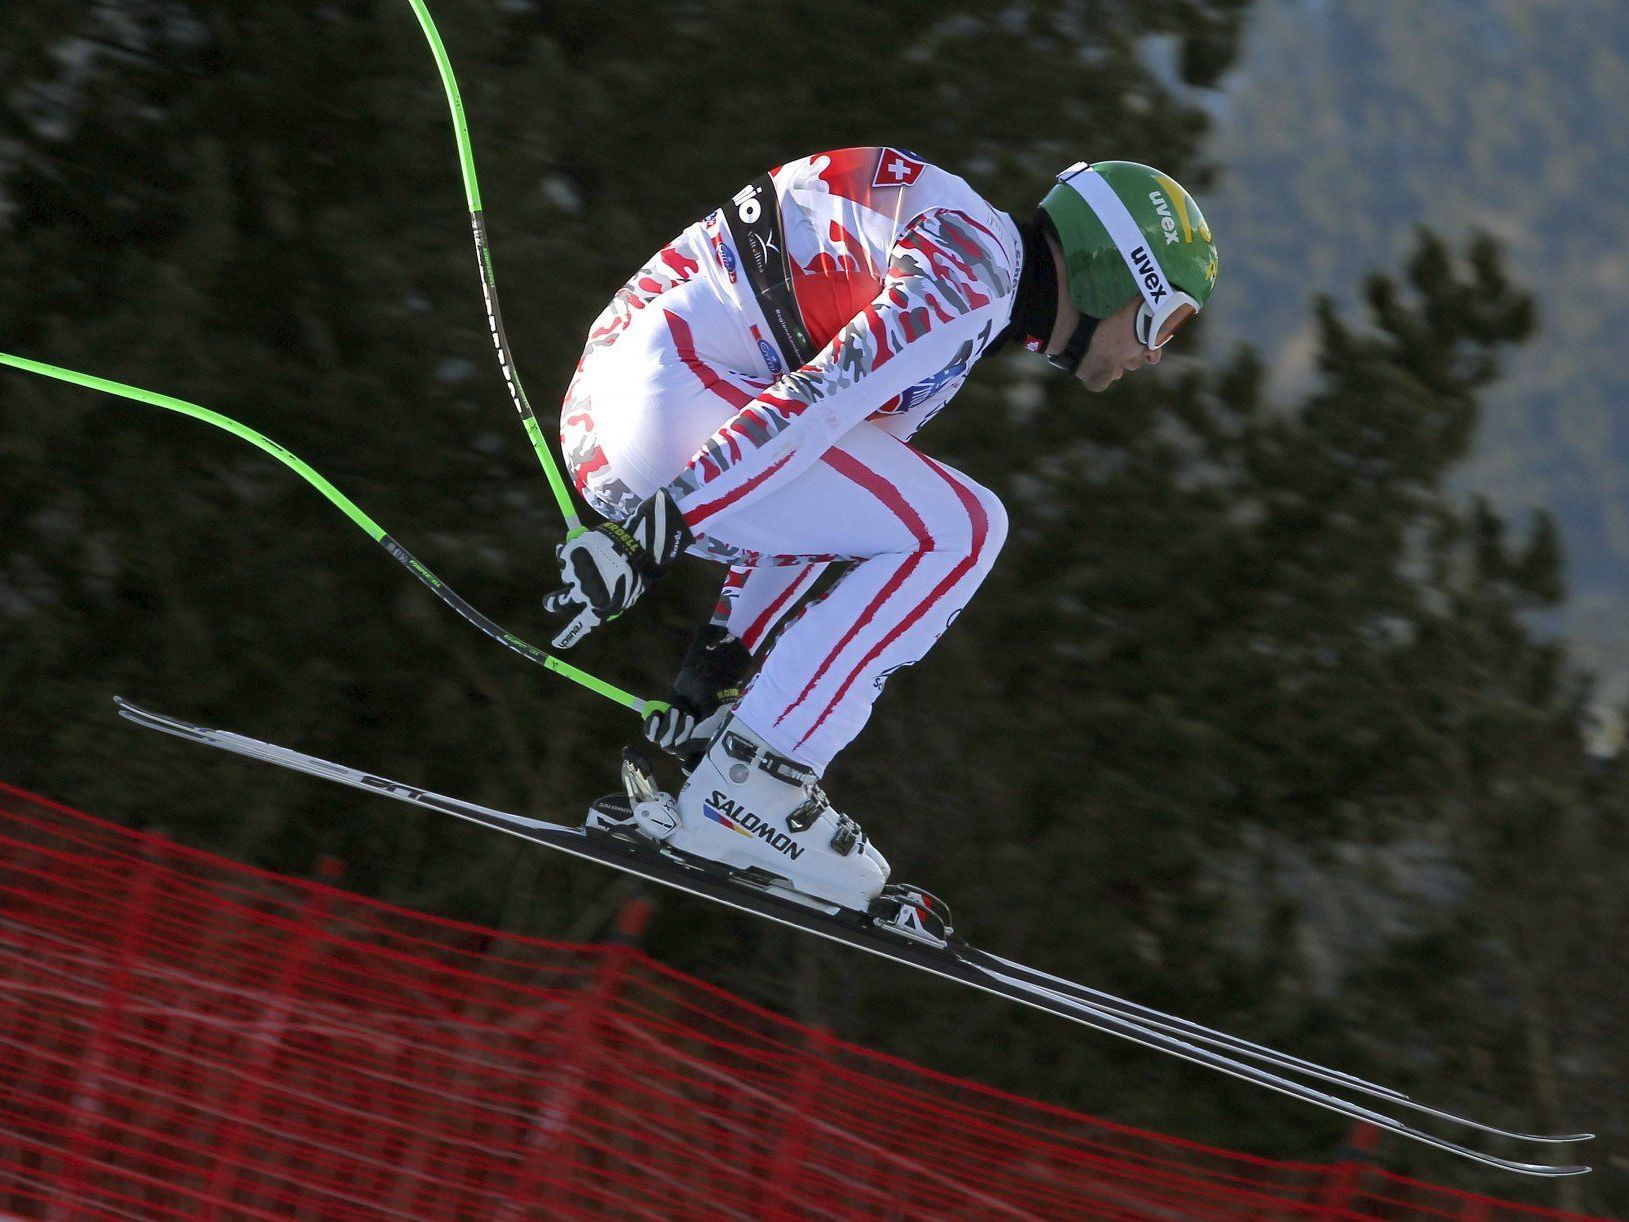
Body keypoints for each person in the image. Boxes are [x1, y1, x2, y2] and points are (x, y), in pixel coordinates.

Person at [547, 149, 1218, 913]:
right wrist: (654, 533)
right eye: (1162, 320)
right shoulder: (971, 278)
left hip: (639, 409)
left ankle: (740, 777)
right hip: (673, 400)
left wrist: (712, 674)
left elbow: (819, 493)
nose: (1153, 354)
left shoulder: (969, 273)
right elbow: (815, 402)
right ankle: (755, 786)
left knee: (924, 523)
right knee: (964, 530)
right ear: (1107, 275)